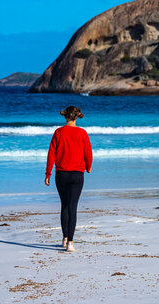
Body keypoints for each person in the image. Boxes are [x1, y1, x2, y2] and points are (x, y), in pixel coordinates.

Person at [45, 106, 92, 252]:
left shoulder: (58, 132)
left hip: (62, 174)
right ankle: (70, 243)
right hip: (77, 175)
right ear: (77, 117)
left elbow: (51, 154)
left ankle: (65, 238)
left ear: (65, 116)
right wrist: (88, 167)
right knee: (73, 207)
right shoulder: (82, 133)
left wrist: (48, 174)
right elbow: (88, 152)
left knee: (64, 206)